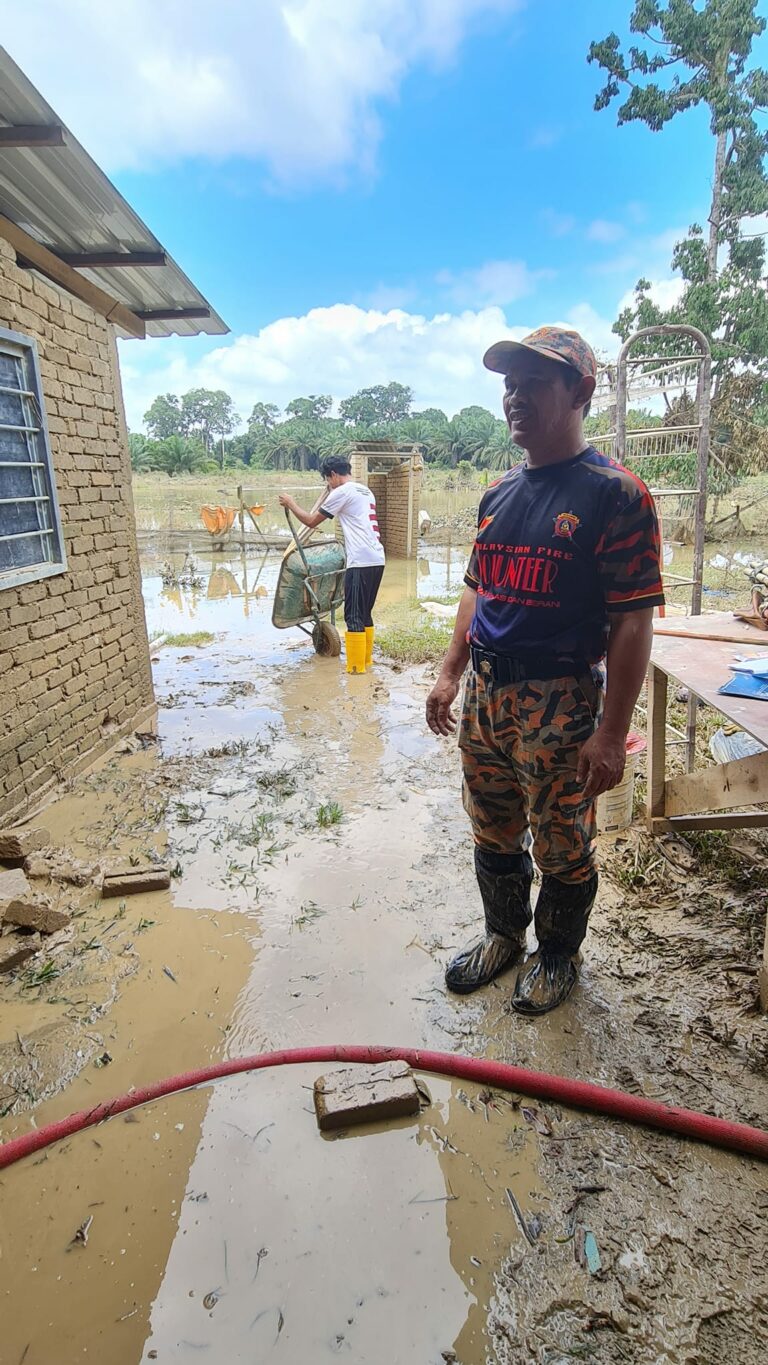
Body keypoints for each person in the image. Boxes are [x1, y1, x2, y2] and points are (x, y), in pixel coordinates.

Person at [426, 326, 664, 1015]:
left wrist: (612, 734)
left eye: (534, 382)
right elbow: (479, 586)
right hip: (488, 694)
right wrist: (449, 671)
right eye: (509, 382)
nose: (514, 396)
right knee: (491, 824)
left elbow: (632, 621)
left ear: (581, 392)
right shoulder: (497, 493)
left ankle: (557, 952)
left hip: (559, 697)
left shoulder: (616, 494)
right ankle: (503, 935)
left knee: (563, 838)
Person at [279, 455, 385, 674]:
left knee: (353, 615)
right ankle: (366, 664)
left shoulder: (342, 492)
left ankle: (356, 671)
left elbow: (310, 521)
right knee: (365, 613)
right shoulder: (364, 490)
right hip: (377, 558)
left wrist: (291, 503)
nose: (328, 484)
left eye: (328, 479)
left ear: (334, 475)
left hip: (361, 560)